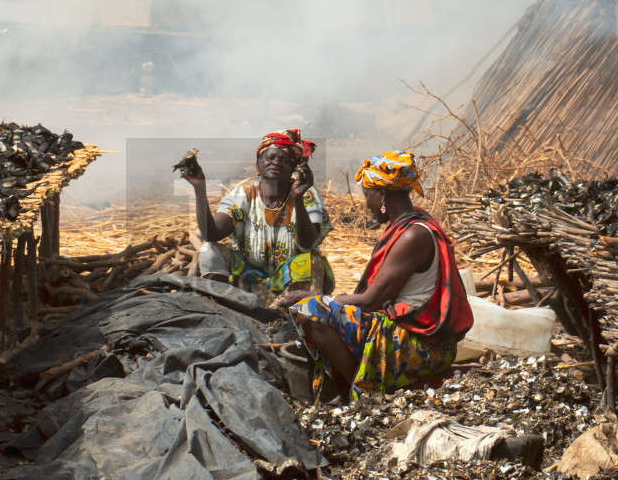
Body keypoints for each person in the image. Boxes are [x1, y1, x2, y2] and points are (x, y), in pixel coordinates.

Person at [290, 149, 473, 401]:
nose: (366, 203)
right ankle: (355, 386)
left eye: (367, 195)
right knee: (322, 309)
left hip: (420, 344)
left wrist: (316, 297)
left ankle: (364, 394)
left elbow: (370, 301)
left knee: (310, 312)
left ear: (383, 194)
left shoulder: (413, 235)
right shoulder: (408, 226)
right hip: (413, 334)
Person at [181, 129, 335, 295]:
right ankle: (221, 306)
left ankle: (298, 315)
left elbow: (307, 243)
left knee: (311, 262)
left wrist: (297, 199)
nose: (276, 162)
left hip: (293, 286)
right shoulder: (242, 195)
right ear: (258, 164)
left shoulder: (306, 194)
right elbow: (212, 234)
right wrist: (199, 188)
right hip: (250, 282)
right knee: (209, 250)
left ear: (293, 169)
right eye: (270, 157)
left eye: (285, 160)